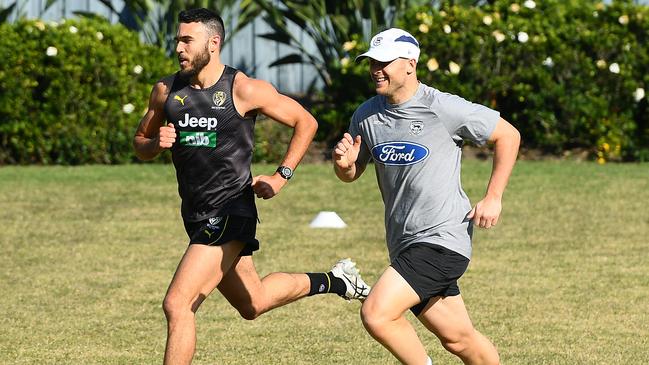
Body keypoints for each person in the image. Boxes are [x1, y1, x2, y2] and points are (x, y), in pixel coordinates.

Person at [133, 8, 370, 365]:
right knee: (253, 303)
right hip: (196, 215)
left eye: (186, 40)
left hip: (231, 211)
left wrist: (281, 176)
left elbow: (305, 121)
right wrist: (155, 144)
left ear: (213, 44)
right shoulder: (166, 91)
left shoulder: (243, 89)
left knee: (177, 305)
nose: (178, 47)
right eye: (177, 40)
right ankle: (337, 281)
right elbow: (140, 141)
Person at [333, 28, 520, 365]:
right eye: (372, 62)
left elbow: (508, 134)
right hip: (404, 242)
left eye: (385, 62)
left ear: (410, 63)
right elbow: (352, 173)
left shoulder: (443, 107)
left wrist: (494, 197)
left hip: (442, 239)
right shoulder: (367, 115)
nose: (377, 69)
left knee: (376, 313)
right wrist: (344, 165)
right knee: (460, 340)